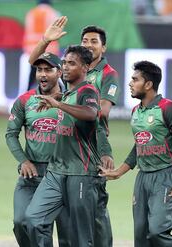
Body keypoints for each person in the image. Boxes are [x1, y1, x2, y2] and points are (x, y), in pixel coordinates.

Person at [28, 16, 119, 247]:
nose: (65, 67)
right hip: (60, 162)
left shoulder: (99, 80)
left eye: (94, 41)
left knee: (90, 221)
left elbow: (96, 113)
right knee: (39, 219)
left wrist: (59, 103)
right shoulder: (68, 87)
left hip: (86, 158)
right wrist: (45, 41)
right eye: (85, 40)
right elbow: (34, 62)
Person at [101, 61, 172, 247]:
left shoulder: (168, 108)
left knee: (158, 231)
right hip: (142, 178)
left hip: (166, 176)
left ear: (149, 84)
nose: (130, 83)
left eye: (135, 79)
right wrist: (119, 172)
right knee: (141, 235)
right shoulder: (136, 111)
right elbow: (139, 145)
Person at [25, 45, 101, 247]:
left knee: (80, 236)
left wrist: (58, 104)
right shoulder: (66, 94)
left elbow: (91, 113)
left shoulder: (88, 91)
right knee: (33, 219)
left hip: (80, 172)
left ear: (84, 68)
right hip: (55, 171)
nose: (65, 67)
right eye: (65, 63)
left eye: (71, 63)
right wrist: (58, 99)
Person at [5, 52, 70, 247]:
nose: (42, 74)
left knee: (64, 231)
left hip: (61, 173)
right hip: (31, 175)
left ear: (59, 72)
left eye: (48, 70)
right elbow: (10, 134)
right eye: (39, 70)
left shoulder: (70, 99)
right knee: (20, 222)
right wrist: (23, 160)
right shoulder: (25, 101)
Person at [23, 0, 60, 90]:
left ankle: (27, 92)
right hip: (49, 48)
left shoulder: (31, 13)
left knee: (33, 71)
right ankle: (50, 92)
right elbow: (57, 31)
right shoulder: (53, 13)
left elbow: (28, 29)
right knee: (50, 71)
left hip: (33, 48)